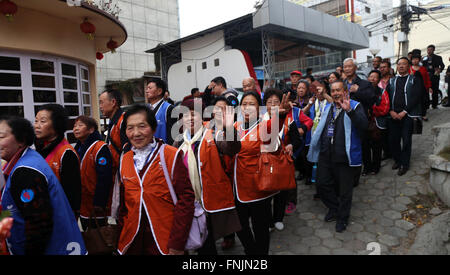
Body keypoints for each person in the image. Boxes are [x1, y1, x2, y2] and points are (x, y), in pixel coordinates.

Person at [0, 116, 86, 255]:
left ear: (21, 140)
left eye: (1, 137)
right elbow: (13, 207)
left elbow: (38, 225)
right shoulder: (25, 159)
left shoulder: (25, 171)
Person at [116, 104, 195, 255]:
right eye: (130, 128)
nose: (136, 133)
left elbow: (186, 200)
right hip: (132, 241)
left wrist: (177, 244)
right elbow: (123, 205)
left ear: (153, 128)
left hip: (164, 241)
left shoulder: (170, 155)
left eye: (142, 126)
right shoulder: (125, 159)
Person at [172, 98, 241, 255]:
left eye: (194, 114)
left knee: (207, 245)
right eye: (185, 115)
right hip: (188, 202)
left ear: (202, 117)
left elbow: (232, 147)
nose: (190, 118)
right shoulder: (178, 142)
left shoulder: (213, 135)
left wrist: (229, 128)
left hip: (207, 202)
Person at [233, 91, 292, 255]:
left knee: (260, 229)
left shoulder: (262, 127)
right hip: (237, 188)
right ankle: (251, 251)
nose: (247, 107)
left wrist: (280, 116)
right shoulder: (235, 127)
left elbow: (273, 129)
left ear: (258, 108)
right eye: (244, 104)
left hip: (258, 187)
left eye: (251, 104)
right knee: (239, 224)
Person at [307, 80, 368, 233]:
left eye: (338, 90)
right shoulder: (329, 107)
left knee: (345, 191)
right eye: (333, 91)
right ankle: (335, 208)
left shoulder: (354, 106)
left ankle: (342, 218)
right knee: (321, 184)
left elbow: (363, 126)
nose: (335, 93)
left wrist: (350, 112)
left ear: (345, 91)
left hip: (345, 156)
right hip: (326, 154)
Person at [34, 104, 81, 218]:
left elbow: (72, 194)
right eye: (36, 121)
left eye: (43, 121)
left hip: (59, 215)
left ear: (57, 125)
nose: (37, 126)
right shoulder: (39, 148)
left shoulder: (66, 153)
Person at [73, 116, 113, 231]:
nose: (76, 128)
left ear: (91, 130)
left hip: (96, 205)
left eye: (80, 125)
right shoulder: (78, 147)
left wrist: (99, 203)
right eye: (75, 126)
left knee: (99, 239)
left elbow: (105, 177)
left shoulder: (100, 148)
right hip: (83, 203)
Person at [386, 57, 422, 176]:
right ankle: (398, 160)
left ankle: (404, 164)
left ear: (408, 66)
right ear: (396, 66)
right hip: (393, 115)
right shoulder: (391, 81)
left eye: (404, 64)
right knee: (393, 141)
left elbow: (416, 97)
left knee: (406, 140)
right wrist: (390, 111)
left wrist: (404, 112)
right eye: (399, 64)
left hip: (407, 115)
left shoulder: (414, 79)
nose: (401, 66)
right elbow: (386, 98)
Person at [365, 70, 390, 175]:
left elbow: (385, 108)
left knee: (376, 147)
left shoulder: (382, 92)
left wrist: (372, 110)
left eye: (375, 77)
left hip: (377, 124)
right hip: (364, 123)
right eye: (371, 76)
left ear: (379, 80)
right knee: (365, 147)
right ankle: (367, 168)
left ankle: (376, 167)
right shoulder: (363, 91)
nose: (372, 79)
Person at [99, 90, 128, 173]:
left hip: (123, 170)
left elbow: (127, 151)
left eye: (102, 102)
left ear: (113, 102)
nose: (100, 106)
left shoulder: (123, 121)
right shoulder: (114, 121)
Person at [145, 79, 177, 145]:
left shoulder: (169, 108)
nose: (146, 91)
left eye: (150, 88)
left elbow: (172, 136)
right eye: (147, 88)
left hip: (162, 150)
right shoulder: (145, 109)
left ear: (159, 91)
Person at [409, 54, 432, 121]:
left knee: (423, 101)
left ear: (419, 60)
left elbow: (427, 78)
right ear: (411, 60)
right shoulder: (409, 69)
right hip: (412, 89)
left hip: (423, 88)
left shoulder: (423, 68)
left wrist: (429, 87)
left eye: (416, 59)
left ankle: (423, 115)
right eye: (413, 59)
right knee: (414, 102)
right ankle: (414, 115)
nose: (415, 61)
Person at [423, 45, 445, 109]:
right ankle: (426, 105)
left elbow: (442, 66)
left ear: (433, 50)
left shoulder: (438, 57)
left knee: (435, 91)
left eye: (430, 50)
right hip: (426, 76)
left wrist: (439, 70)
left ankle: (434, 105)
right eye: (428, 50)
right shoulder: (424, 58)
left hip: (435, 76)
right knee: (426, 91)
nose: (429, 51)